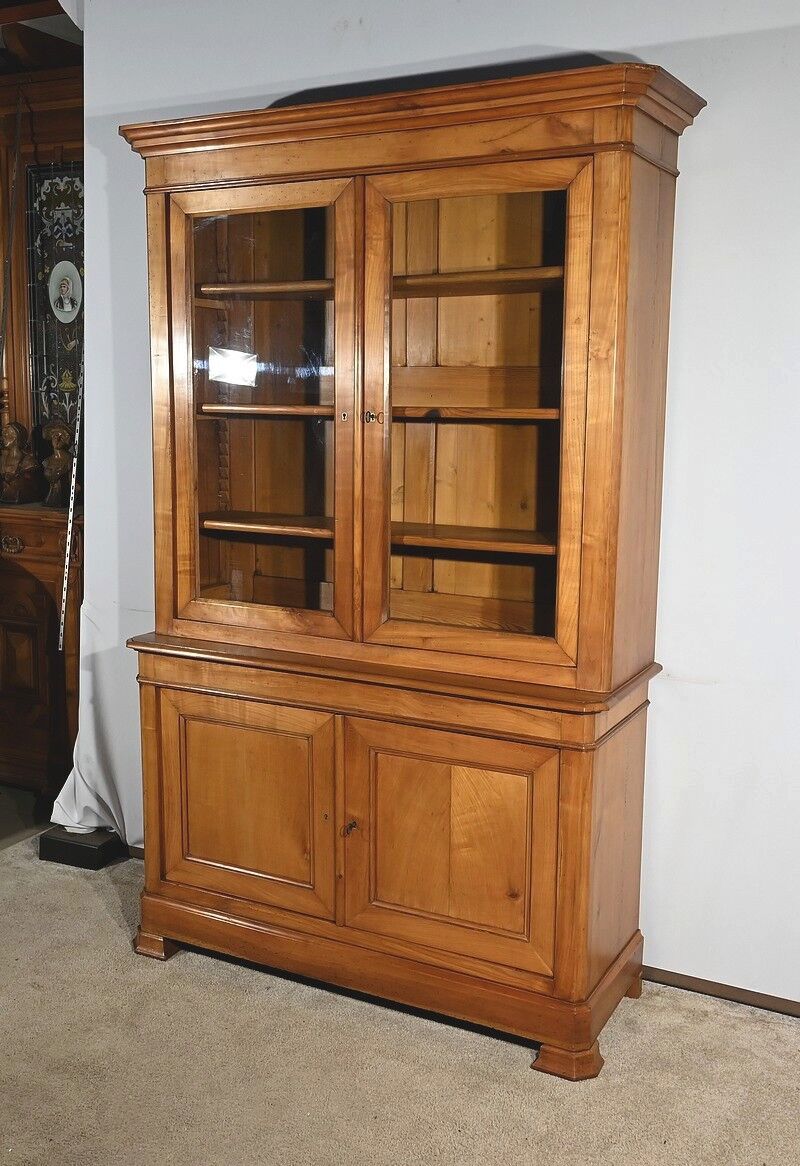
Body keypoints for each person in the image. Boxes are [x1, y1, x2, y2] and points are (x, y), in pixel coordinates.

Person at [0, 420, 44, 503]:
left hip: (22, 498)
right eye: (3, 434)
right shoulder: (2, 458)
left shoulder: (28, 461)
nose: (3, 437)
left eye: (7, 433)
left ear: (17, 436)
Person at [42, 421, 73, 507]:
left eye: (61, 437)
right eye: (55, 436)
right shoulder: (47, 461)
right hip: (50, 499)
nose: (57, 439)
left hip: (64, 499)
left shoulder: (70, 459)